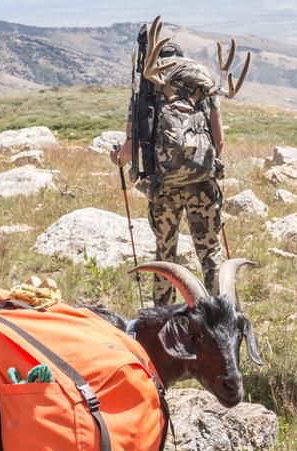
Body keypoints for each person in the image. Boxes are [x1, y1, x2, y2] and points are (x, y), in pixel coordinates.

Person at [110, 42, 226, 306]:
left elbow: (130, 149)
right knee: (210, 254)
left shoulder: (146, 93)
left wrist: (117, 158)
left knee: (166, 255)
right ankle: (219, 316)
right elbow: (219, 142)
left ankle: (163, 319)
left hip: (164, 190)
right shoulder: (202, 87)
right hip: (202, 185)